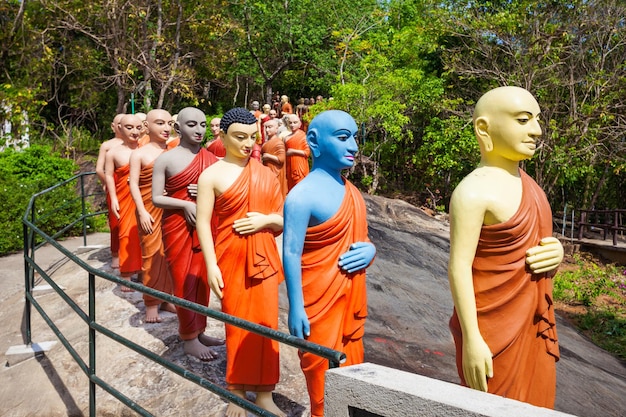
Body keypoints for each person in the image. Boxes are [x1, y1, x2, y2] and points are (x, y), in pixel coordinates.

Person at [447, 86, 563, 408]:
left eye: (537, 120)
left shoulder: (531, 186)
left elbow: (539, 244)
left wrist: (557, 251)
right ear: (484, 128)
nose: (537, 130)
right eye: (524, 120)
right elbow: (458, 267)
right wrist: (472, 338)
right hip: (492, 329)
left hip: (534, 324)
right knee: (494, 406)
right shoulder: (472, 192)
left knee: (538, 404)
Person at [283, 110, 376, 417]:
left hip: (350, 299)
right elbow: (291, 252)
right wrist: (295, 306)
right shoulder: (301, 196)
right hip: (317, 302)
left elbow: (361, 239)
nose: (353, 146)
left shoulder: (353, 192)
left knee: (353, 375)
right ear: (314, 141)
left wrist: (370, 251)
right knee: (321, 376)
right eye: (342, 137)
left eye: (355, 137)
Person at [196, 107, 285, 417]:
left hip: (263, 258)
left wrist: (265, 220)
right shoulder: (211, 175)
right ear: (222, 136)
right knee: (236, 324)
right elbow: (203, 223)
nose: (248, 144)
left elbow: (280, 220)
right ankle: (236, 388)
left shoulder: (266, 173)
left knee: (266, 325)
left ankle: (264, 392)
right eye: (240, 137)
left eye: (252, 137)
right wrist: (210, 265)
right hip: (230, 256)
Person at [151, 107, 224, 360]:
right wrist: (184, 203)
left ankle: (200, 329)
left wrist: (206, 191)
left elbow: (223, 193)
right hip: (177, 227)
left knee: (201, 279)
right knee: (183, 280)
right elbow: (156, 198)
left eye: (203, 125)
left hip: (204, 228)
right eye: (192, 124)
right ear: (178, 128)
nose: (199, 130)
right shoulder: (166, 159)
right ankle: (189, 337)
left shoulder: (212, 159)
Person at [129, 109, 176, 323]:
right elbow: (134, 186)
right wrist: (142, 211)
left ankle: (167, 298)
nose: (166, 128)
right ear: (147, 127)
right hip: (149, 211)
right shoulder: (139, 154)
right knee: (151, 253)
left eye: (168, 123)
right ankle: (150, 302)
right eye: (159, 123)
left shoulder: (175, 151)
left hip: (171, 211)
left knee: (170, 255)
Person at [104, 114, 144, 290]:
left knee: (145, 234)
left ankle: (144, 270)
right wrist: (113, 197)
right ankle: (126, 273)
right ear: (120, 128)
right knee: (126, 233)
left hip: (145, 197)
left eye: (138, 127)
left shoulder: (146, 148)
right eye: (129, 127)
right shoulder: (113, 152)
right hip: (124, 196)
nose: (134, 132)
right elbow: (108, 175)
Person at [95, 113, 125, 269]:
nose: (121, 127)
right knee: (115, 220)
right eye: (118, 124)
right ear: (113, 126)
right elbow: (99, 169)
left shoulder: (136, 143)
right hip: (115, 184)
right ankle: (115, 253)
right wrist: (107, 182)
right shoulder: (107, 146)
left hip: (130, 185)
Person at [261, 118, 287, 198]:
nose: (267, 129)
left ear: (276, 129)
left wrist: (268, 156)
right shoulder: (266, 143)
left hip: (276, 172)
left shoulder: (278, 142)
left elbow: (281, 159)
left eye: (270, 127)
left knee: (276, 193)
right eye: (266, 127)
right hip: (267, 171)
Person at [284, 114, 310, 191]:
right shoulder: (286, 138)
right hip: (289, 167)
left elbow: (307, 153)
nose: (292, 125)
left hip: (300, 166)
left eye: (295, 122)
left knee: (300, 188)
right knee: (290, 188)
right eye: (290, 123)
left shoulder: (303, 136)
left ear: (300, 124)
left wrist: (293, 151)